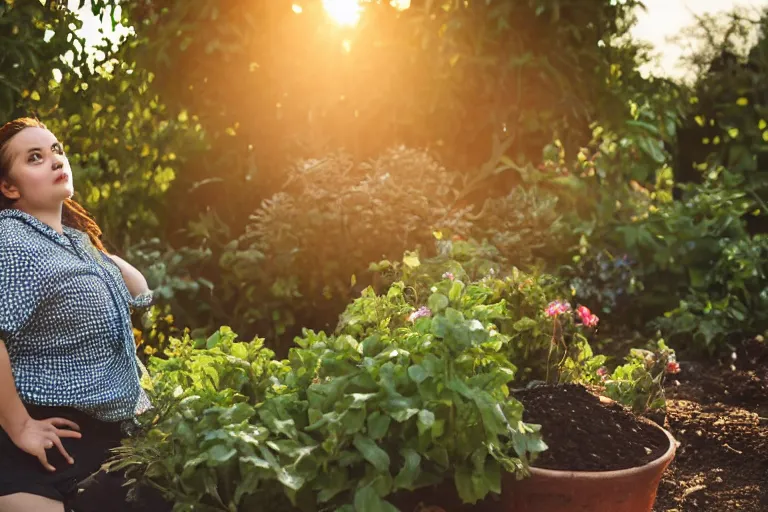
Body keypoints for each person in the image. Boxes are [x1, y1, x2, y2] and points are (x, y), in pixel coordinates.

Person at [0, 118, 170, 512]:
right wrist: (20, 425)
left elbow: (140, 292)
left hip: (101, 445)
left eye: (56, 150)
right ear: (10, 187)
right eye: (35, 158)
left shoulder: (70, 243)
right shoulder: (11, 240)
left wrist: (95, 255)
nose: (56, 160)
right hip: (42, 452)